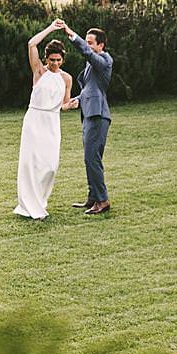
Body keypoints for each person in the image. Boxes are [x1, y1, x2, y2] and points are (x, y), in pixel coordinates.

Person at [14, 24, 77, 220]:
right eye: (52, 60)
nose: (55, 64)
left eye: (58, 60)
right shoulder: (39, 72)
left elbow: (63, 104)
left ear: (63, 59)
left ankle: (40, 201)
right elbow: (31, 44)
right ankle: (29, 205)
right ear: (46, 59)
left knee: (50, 165)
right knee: (31, 163)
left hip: (52, 122)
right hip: (35, 120)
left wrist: (70, 105)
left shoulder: (66, 78)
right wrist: (51, 28)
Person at [53, 17, 113, 215]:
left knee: (92, 159)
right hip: (89, 114)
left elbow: (86, 53)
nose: (87, 46)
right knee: (90, 158)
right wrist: (77, 99)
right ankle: (93, 198)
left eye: (90, 43)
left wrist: (70, 33)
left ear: (101, 45)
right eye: (86, 42)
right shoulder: (92, 65)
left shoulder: (104, 61)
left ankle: (102, 201)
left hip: (98, 115)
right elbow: (91, 89)